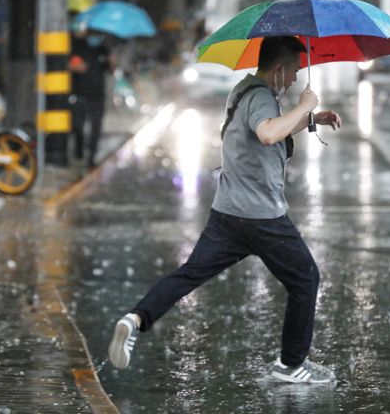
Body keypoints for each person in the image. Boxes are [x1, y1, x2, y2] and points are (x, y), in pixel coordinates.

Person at [108, 36, 342, 383]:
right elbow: (266, 134)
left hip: (228, 214)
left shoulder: (245, 90)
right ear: (278, 69)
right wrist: (305, 106)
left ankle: (136, 319)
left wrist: (311, 120)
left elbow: (265, 131)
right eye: (293, 69)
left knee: (189, 274)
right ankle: (291, 365)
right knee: (306, 278)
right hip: (261, 216)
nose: (295, 78)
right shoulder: (262, 97)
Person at [68, 30, 115, 167]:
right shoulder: (79, 47)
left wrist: (112, 62)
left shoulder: (103, 49)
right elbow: (71, 65)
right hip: (80, 94)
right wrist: (76, 67)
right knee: (78, 126)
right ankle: (79, 153)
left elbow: (110, 70)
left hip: (97, 96)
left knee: (96, 126)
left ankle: (91, 157)